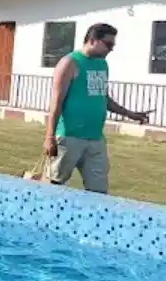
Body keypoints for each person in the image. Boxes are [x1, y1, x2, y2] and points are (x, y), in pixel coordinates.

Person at [43, 23, 151, 194]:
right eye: (108, 44)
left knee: (99, 192)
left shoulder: (102, 65)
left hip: (95, 139)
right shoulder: (70, 63)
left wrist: (130, 114)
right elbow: (56, 102)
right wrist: (50, 137)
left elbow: (104, 98)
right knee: (54, 186)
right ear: (93, 40)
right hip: (69, 137)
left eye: (113, 45)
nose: (111, 49)